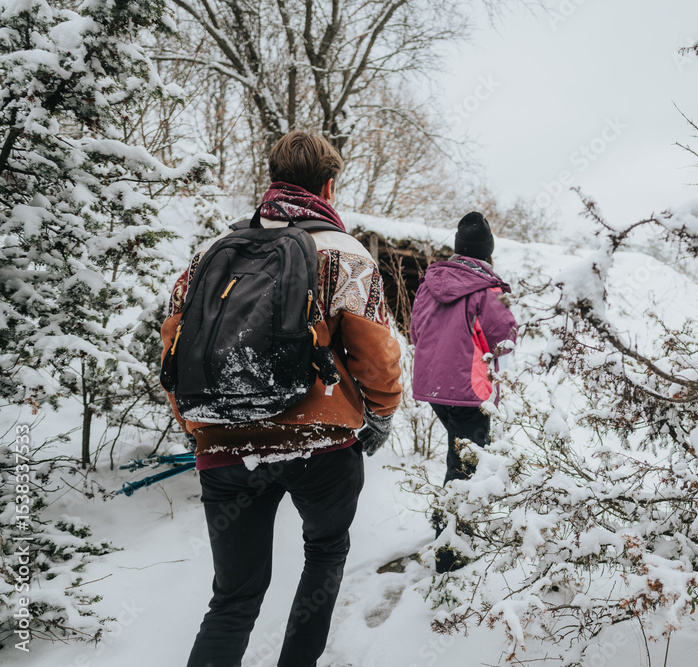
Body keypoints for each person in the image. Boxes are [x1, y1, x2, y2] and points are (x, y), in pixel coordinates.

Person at [161, 131, 402, 667]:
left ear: (271, 178)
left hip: (222, 445)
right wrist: (380, 414)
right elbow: (378, 355)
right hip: (320, 443)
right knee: (325, 551)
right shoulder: (344, 254)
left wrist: (197, 423)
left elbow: (175, 344)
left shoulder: (209, 254)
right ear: (330, 184)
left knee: (233, 596)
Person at [409, 212, 517, 570]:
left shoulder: (430, 283)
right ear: (487, 254)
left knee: (459, 459)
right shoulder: (486, 290)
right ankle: (450, 551)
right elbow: (505, 341)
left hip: (435, 389)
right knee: (467, 467)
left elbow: (415, 332)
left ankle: (451, 535)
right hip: (470, 391)